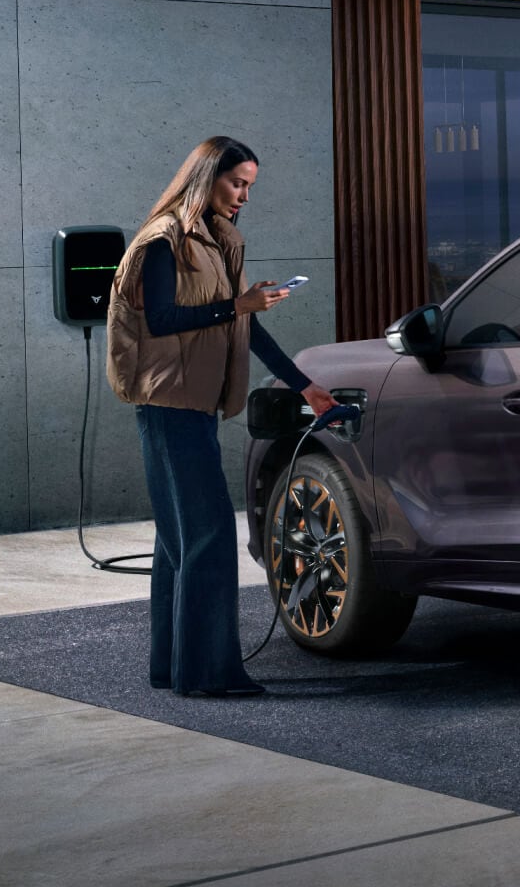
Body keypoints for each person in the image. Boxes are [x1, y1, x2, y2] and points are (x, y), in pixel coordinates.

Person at [105, 136, 338, 697]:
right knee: (206, 536)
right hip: (167, 402)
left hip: (193, 401)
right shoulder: (163, 240)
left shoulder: (218, 241)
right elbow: (161, 320)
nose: (244, 196)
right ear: (206, 179)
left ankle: (175, 669)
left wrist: (307, 387)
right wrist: (238, 304)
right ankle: (209, 676)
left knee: (178, 540)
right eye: (238, 183)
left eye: (249, 186)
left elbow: (244, 326)